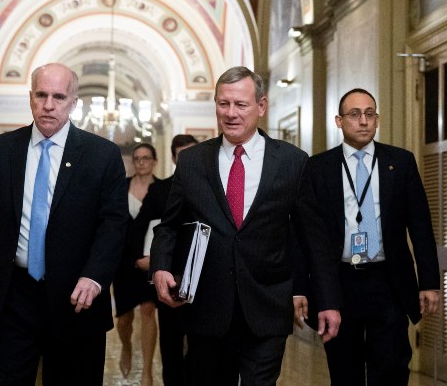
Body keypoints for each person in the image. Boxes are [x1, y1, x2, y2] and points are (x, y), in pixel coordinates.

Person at [150, 66, 341, 385]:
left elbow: (314, 239)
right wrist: (160, 266)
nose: (231, 113)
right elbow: (168, 226)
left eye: (241, 105)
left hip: (267, 307)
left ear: (261, 106)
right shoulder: (193, 161)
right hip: (207, 309)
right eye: (223, 104)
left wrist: (328, 301)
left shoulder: (292, 161)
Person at [0, 62, 129, 385]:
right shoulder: (0, 151)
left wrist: (95, 277)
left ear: (73, 102)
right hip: (14, 296)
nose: (49, 105)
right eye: (41, 95)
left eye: (59, 97)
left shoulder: (101, 155)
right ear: (30, 98)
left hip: (77, 299)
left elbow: (114, 226)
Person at [296, 88, 440, 386]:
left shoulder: (400, 162)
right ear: (339, 121)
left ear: (377, 119)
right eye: (354, 114)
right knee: (344, 370)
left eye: (370, 114)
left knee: (391, 368)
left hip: (387, 281)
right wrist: (301, 289)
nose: (363, 121)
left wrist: (429, 282)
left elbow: (421, 225)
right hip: (339, 283)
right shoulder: (318, 168)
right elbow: (305, 235)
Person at [129, 134, 198, 386]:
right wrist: (141, 259)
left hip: (205, 278)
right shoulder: (160, 189)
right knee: (171, 342)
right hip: (170, 277)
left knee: (204, 344)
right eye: (183, 156)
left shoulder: (215, 185)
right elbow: (139, 227)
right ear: (173, 158)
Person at [112, 143, 159, 386]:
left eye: (146, 158)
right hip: (124, 262)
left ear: (154, 161)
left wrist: (156, 258)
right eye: (137, 158)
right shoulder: (121, 187)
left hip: (151, 261)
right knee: (124, 318)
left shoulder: (162, 189)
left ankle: (147, 371)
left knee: (149, 310)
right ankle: (126, 347)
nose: (141, 162)